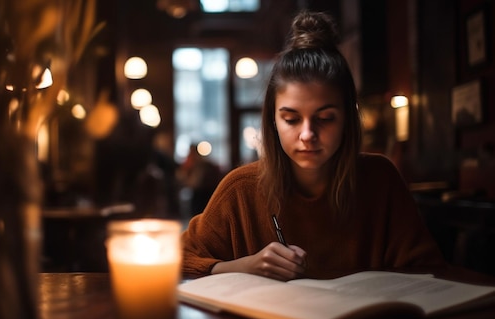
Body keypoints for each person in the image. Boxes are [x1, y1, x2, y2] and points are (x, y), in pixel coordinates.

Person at [182, 10, 447, 281]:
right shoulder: (241, 190)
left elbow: (428, 270)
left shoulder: (380, 180)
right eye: (291, 119)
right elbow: (179, 258)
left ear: (347, 118)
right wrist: (243, 267)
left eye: (325, 118)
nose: (308, 134)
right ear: (273, 120)